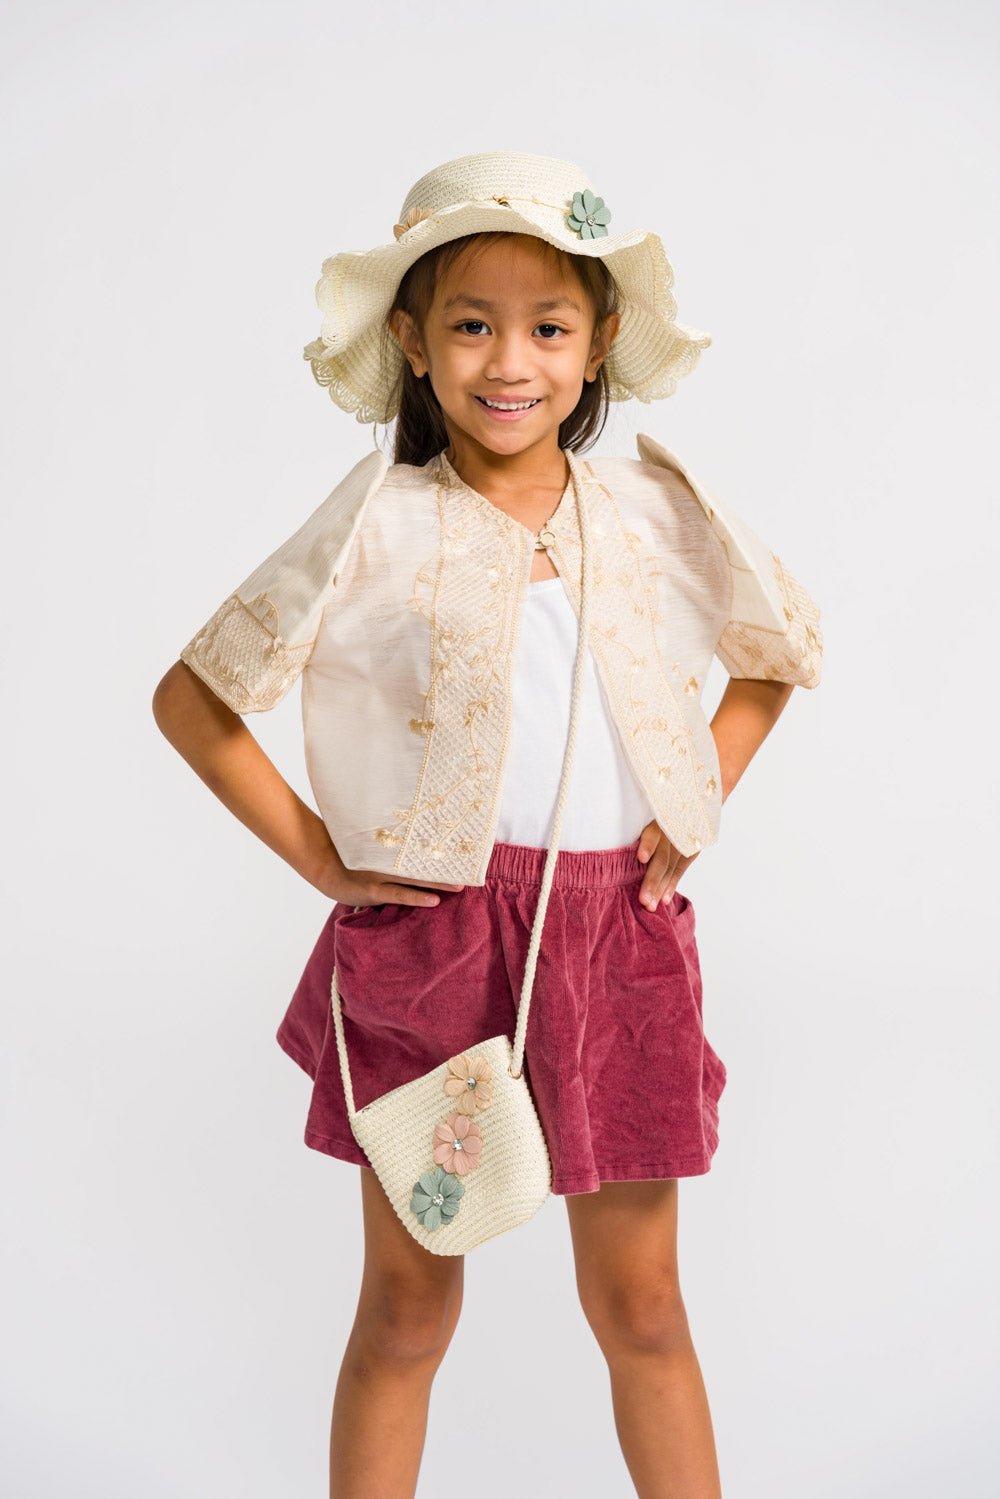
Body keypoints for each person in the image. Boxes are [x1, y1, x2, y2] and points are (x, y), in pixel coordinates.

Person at [153, 151, 822, 1499]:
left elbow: (776, 651)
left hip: (615, 944)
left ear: (599, 344)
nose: (509, 361)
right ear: (412, 340)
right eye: (471, 323)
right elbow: (194, 701)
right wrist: (326, 860)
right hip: (437, 944)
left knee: (642, 1311)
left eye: (549, 326)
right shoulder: (377, 522)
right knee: (408, 1314)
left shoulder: (648, 511)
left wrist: (694, 803)